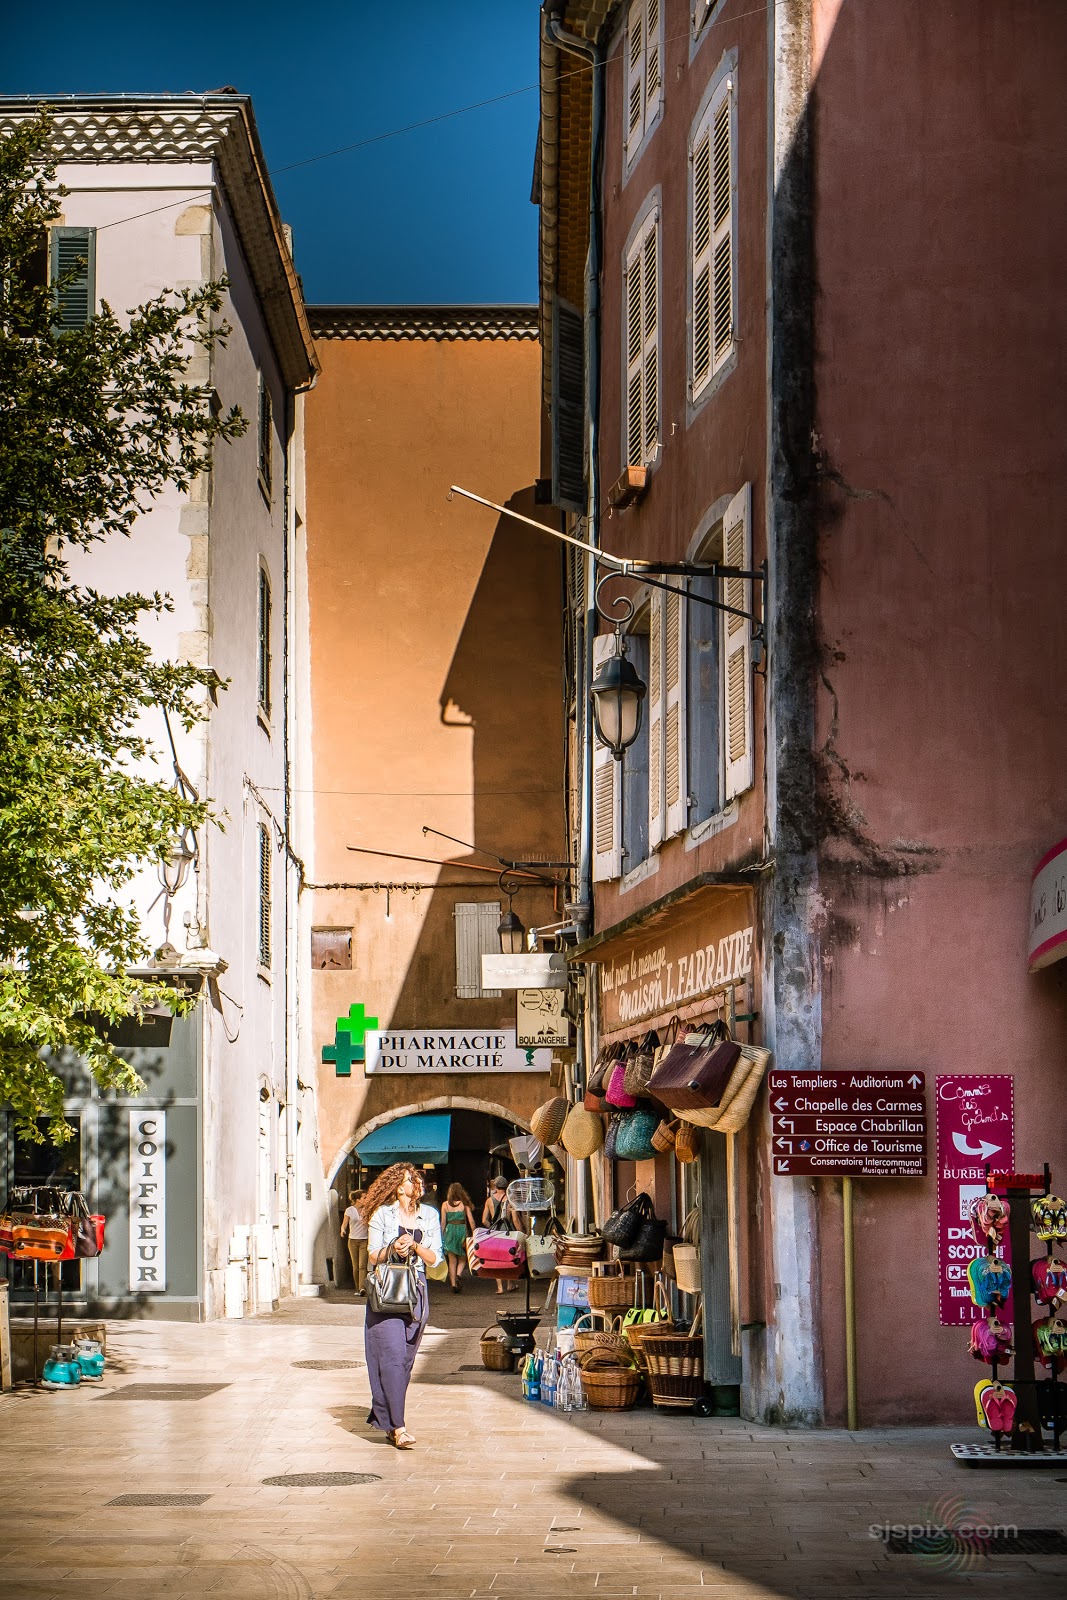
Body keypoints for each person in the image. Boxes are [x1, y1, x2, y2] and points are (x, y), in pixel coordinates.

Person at [360, 1162, 442, 1450]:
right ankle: (399, 1427)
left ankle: (386, 1417)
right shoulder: (382, 1215)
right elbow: (372, 1255)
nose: (416, 1182)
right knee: (392, 1357)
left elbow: (435, 1259)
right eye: (411, 1179)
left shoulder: (429, 1215)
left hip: (416, 1292)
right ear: (398, 1187)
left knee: (404, 1362)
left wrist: (416, 1246)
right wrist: (394, 1246)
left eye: (417, 1178)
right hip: (387, 1295)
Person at [482, 1174, 519, 1295]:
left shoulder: (489, 1200)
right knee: (509, 1257)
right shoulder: (510, 1199)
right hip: (509, 1231)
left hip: (496, 1231)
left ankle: (499, 1287)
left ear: (496, 1186)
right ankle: (510, 1284)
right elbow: (515, 1219)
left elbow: (484, 1220)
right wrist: (521, 1231)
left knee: (496, 1258)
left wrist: (491, 1228)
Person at [440, 1183, 475, 1293]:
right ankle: (459, 1275)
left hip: (450, 1231)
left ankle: (454, 1285)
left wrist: (441, 1236)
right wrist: (474, 1233)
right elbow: (471, 1221)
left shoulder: (445, 1205)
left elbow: (443, 1223)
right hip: (461, 1231)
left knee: (452, 1260)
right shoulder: (464, 1205)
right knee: (463, 1258)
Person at [340, 1188, 369, 1296]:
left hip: (364, 1240)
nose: (366, 1199)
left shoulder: (368, 1210)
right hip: (352, 1240)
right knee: (356, 1266)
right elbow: (345, 1223)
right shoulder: (350, 1210)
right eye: (364, 1198)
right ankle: (357, 1288)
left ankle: (362, 1288)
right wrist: (343, 1229)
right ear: (357, 1200)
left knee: (362, 1265)